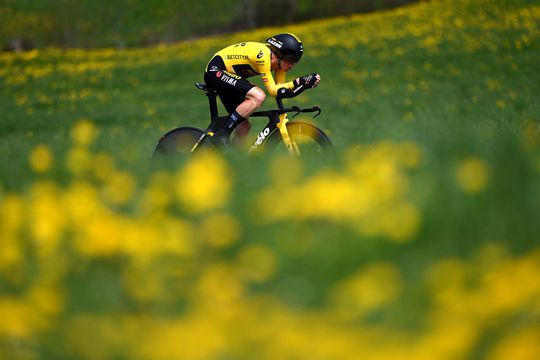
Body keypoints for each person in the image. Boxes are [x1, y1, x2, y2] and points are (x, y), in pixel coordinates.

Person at [203, 33, 321, 148]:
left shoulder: (278, 65)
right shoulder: (263, 55)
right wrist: (300, 81)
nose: (292, 65)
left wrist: (305, 85)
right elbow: (273, 91)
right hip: (215, 71)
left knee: (244, 127)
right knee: (258, 96)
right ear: (278, 54)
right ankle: (222, 134)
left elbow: (281, 90)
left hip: (229, 76)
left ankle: (233, 159)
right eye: (291, 59)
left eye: (295, 61)